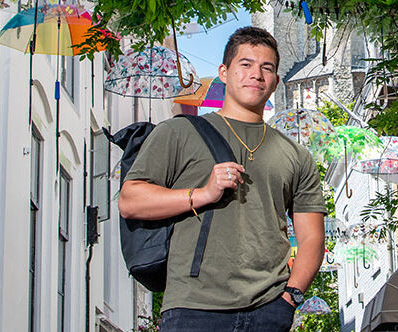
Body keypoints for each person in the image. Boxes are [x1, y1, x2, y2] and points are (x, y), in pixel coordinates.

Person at [116, 27, 327, 332]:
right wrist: (202, 194)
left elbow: (311, 238)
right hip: (192, 306)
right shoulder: (178, 133)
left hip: (269, 307)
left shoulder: (297, 155)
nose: (256, 74)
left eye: (266, 68)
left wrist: (290, 297)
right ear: (224, 73)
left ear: (276, 81)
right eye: (246, 64)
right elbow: (130, 201)